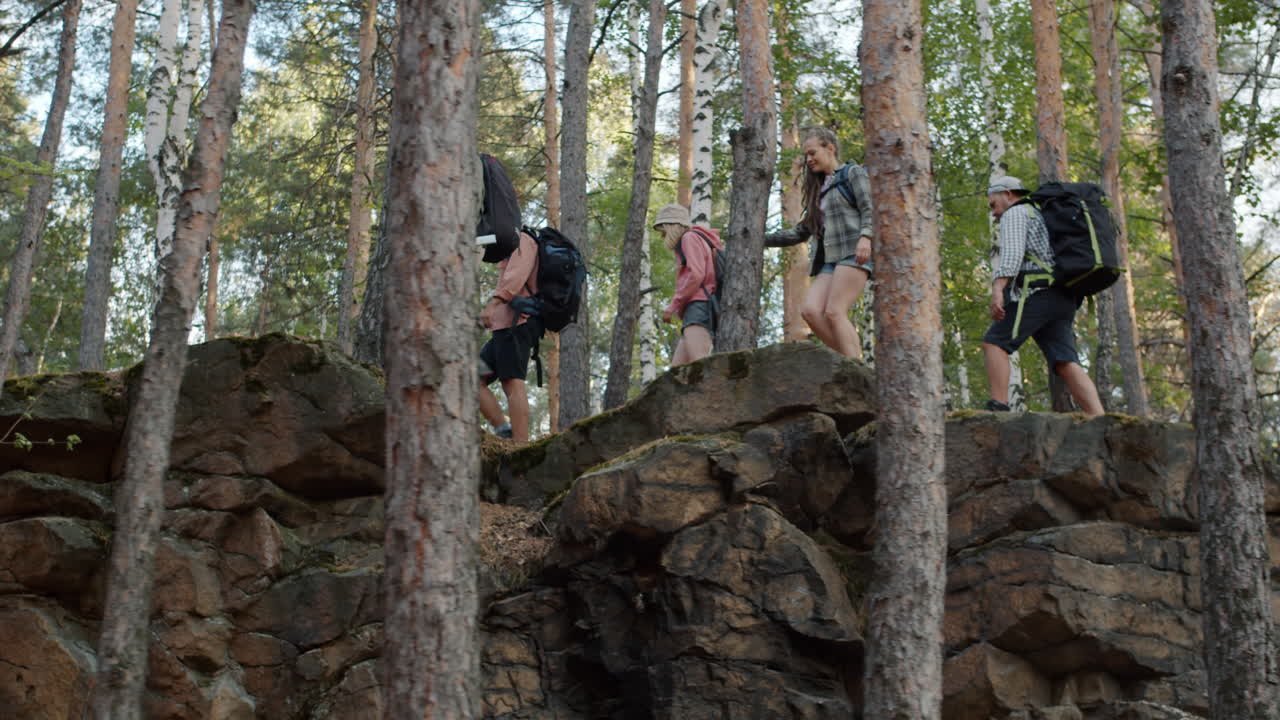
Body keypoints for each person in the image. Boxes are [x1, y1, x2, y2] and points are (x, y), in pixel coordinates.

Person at [981, 174, 1104, 417]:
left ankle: (999, 409)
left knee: (994, 343)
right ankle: (1100, 418)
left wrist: (998, 289)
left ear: (1008, 194)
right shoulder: (1037, 213)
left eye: (993, 205)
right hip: (1063, 296)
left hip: (1039, 292)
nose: (994, 213)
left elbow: (1013, 256)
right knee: (1064, 361)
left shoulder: (1016, 213)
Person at [765, 127, 874, 359]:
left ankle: (856, 369)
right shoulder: (819, 190)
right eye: (806, 155)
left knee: (834, 312)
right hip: (829, 259)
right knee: (811, 311)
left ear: (830, 148)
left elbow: (869, 207)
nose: (809, 159)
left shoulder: (852, 173)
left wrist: (866, 236)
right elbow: (800, 232)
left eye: (812, 152)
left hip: (853, 251)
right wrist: (758, 239)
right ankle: (849, 361)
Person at [478, 229, 541, 441]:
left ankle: (521, 446)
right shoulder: (511, 241)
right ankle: (504, 432)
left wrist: (492, 304)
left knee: (512, 382)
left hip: (517, 323)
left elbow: (515, 277)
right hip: (502, 326)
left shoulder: (524, 239)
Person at [655, 203, 724, 366]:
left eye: (663, 231)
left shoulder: (689, 238)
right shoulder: (695, 239)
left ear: (672, 226)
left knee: (699, 365)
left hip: (699, 307)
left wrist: (673, 306)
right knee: (677, 372)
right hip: (696, 309)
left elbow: (696, 274)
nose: (662, 237)